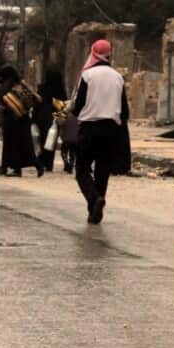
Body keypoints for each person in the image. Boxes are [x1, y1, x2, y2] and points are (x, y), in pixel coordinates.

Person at [67, 40, 129, 224]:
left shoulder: (87, 75)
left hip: (89, 128)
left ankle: (94, 199)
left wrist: (72, 111)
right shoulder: (118, 77)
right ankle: (96, 210)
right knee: (103, 169)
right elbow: (124, 110)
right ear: (110, 54)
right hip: (111, 130)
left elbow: (78, 106)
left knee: (82, 169)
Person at [0, 66, 42, 177]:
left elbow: (1, 100)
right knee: (26, 145)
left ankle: (14, 169)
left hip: (12, 119)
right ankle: (38, 166)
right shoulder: (21, 84)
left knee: (11, 145)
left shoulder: (6, 86)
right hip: (24, 118)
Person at [35, 67, 67, 174]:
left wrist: (34, 118)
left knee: (43, 139)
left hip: (42, 117)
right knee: (52, 141)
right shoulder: (60, 89)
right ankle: (49, 164)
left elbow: (37, 103)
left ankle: (42, 160)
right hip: (55, 118)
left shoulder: (42, 88)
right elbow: (63, 104)